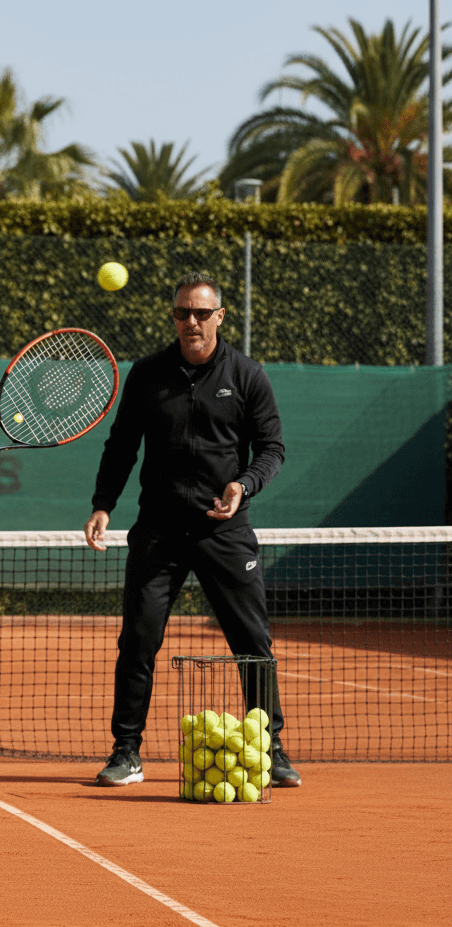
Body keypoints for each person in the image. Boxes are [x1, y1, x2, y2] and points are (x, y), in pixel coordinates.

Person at [83, 272, 301, 789]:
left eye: (202, 313)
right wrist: (103, 505)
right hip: (158, 531)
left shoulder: (248, 375)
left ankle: (270, 745)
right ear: (174, 317)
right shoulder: (147, 374)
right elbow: (121, 446)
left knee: (253, 643)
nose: (192, 322)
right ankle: (127, 752)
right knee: (138, 642)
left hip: (224, 532)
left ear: (220, 317)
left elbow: (272, 449)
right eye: (183, 313)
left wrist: (243, 486)